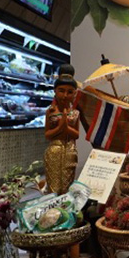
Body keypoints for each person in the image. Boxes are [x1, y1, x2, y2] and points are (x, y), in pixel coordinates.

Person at [44, 64, 80, 195]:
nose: (65, 95)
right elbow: (47, 135)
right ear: (55, 91)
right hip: (54, 150)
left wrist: (66, 128)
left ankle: (65, 207)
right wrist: (60, 128)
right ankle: (53, 207)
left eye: (70, 92)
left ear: (74, 93)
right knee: (54, 187)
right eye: (61, 90)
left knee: (67, 187)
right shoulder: (50, 112)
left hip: (70, 150)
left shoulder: (75, 113)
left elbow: (76, 134)